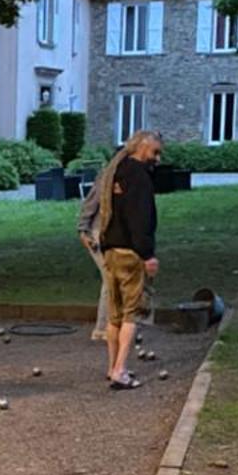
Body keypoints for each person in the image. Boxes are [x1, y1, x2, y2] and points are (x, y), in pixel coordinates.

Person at [94, 129, 161, 389]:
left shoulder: (115, 170)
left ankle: (112, 366)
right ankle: (120, 370)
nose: (157, 158)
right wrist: (147, 254)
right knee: (132, 314)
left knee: (114, 315)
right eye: (155, 152)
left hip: (109, 249)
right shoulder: (139, 176)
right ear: (141, 148)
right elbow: (139, 218)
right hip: (130, 253)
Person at [76, 179, 111, 344]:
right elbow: (90, 203)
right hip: (97, 233)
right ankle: (103, 328)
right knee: (110, 278)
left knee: (114, 279)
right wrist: (84, 231)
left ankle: (110, 326)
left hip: (114, 235)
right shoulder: (108, 176)